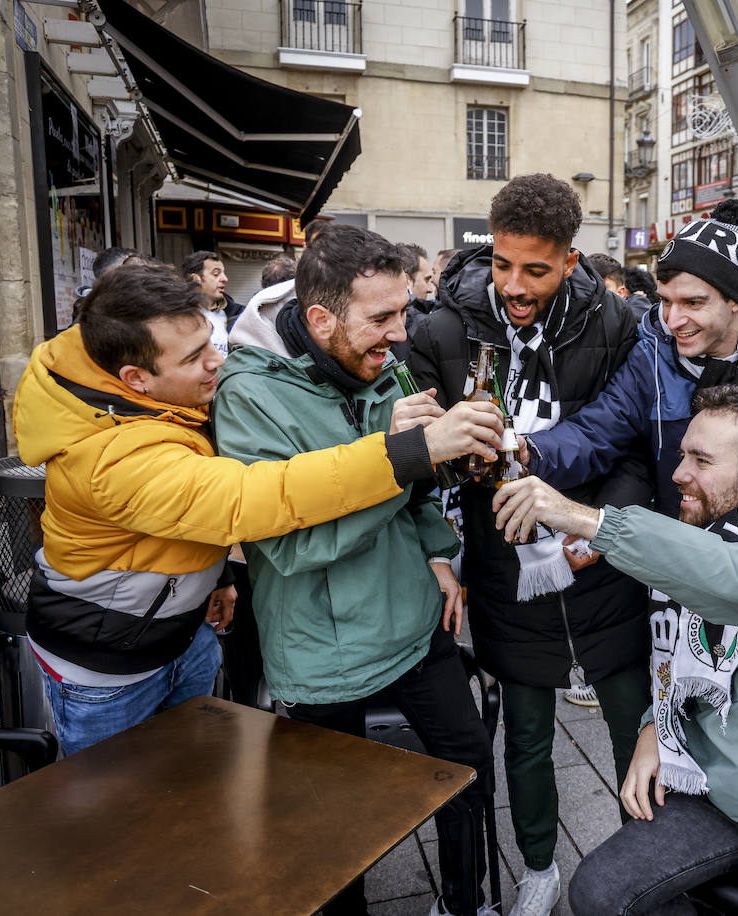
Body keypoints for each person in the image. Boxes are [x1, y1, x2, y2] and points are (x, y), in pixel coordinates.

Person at [13, 262, 487, 756]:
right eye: (196, 357)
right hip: (109, 668)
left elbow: (180, 519)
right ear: (137, 379)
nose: (218, 361)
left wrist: (214, 575)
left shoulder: (142, 390)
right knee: (120, 817)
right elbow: (252, 498)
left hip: (183, 634)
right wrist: (405, 452)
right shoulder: (111, 462)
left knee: (188, 795)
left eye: (210, 342)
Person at [490, 385, 738, 914]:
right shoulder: (711, 529)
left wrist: (594, 521)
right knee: (597, 891)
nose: (679, 473)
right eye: (682, 454)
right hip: (725, 794)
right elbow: (685, 655)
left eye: (700, 460)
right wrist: (651, 726)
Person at [214, 223, 503, 916]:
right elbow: (289, 546)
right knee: (336, 830)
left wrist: (437, 549)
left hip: (413, 620)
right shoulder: (249, 395)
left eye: (404, 312)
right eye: (381, 318)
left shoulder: (378, 362)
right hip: (322, 652)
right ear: (319, 319)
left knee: (467, 767)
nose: (400, 335)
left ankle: (464, 903)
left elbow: (415, 486)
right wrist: (397, 451)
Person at [410, 173, 650, 916]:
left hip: (600, 558)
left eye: (536, 270)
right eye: (504, 264)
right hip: (502, 561)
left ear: (571, 261)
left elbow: (638, 445)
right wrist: (443, 547)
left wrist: (600, 525)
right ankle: (540, 866)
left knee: (632, 725)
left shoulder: (618, 326)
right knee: (526, 738)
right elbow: (420, 461)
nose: (514, 284)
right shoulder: (444, 330)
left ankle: (644, 867)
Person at [519, 198, 738, 518]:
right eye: (666, 301)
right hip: (680, 548)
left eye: (693, 303)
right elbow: (597, 431)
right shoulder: (651, 355)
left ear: (735, 299)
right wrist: (532, 450)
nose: (673, 320)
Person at [182, 250, 242, 356]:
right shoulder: (177, 316)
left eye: (223, 273)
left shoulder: (237, 314)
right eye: (216, 274)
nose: (225, 279)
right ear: (195, 279)